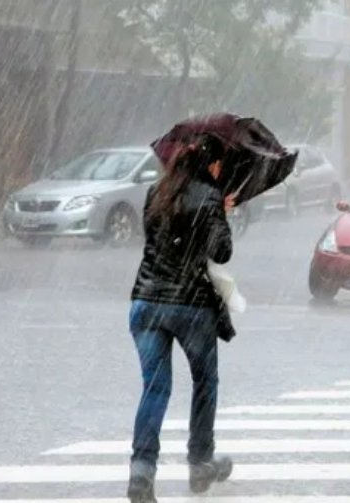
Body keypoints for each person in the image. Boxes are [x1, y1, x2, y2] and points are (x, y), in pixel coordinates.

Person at [127, 134, 235, 503]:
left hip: (146, 301)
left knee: (155, 388)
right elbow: (222, 251)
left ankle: (142, 470)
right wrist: (220, 213)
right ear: (212, 164)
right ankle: (200, 461)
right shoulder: (209, 196)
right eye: (220, 164)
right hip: (191, 306)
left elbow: (158, 240)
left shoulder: (156, 192)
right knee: (205, 382)